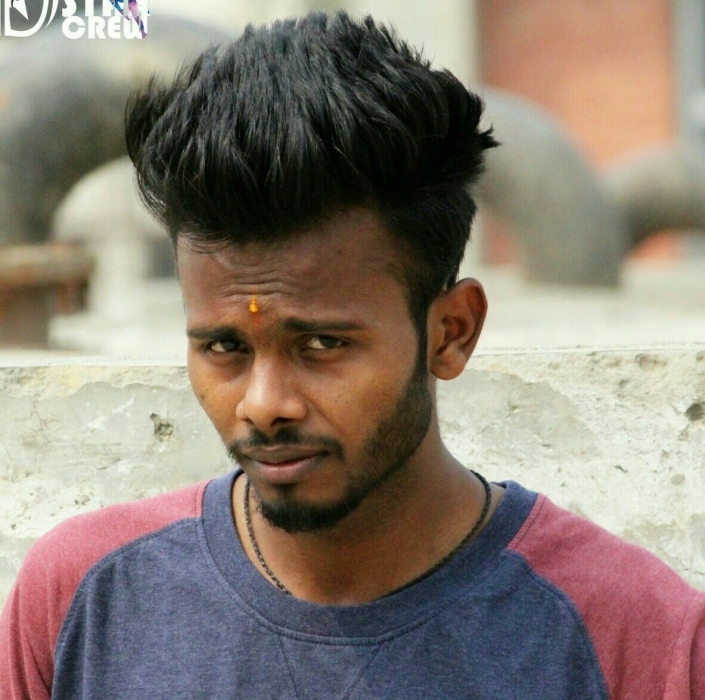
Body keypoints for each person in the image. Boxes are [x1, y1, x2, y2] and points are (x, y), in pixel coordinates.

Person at [1, 11, 704, 699]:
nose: (263, 405)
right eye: (224, 347)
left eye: (322, 345)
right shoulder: (82, 603)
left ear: (451, 333)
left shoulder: (637, 638)